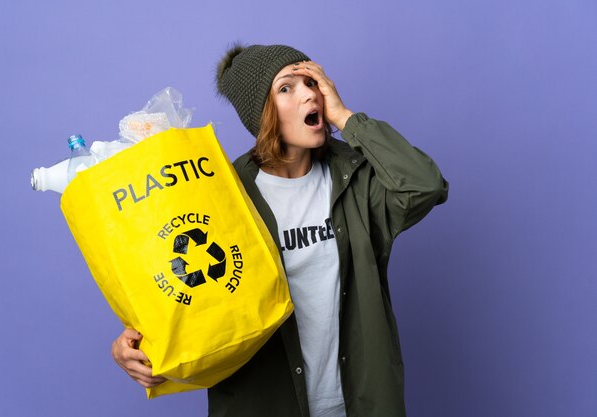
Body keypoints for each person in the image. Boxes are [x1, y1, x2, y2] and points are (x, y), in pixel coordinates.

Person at [112, 44, 448, 417]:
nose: (308, 93)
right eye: (286, 87)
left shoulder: (354, 179)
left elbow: (424, 186)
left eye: (311, 80)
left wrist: (347, 119)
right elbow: (184, 288)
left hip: (356, 404)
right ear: (262, 114)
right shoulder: (224, 191)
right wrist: (133, 343)